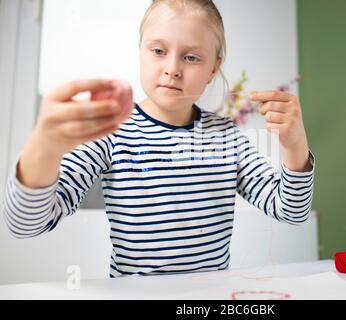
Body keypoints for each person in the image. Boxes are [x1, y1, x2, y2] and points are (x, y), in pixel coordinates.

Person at [2, 0, 315, 277]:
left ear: (212, 70)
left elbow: (290, 211)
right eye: (158, 51)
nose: (172, 69)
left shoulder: (227, 137)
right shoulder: (112, 133)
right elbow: (24, 224)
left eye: (191, 57)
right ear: (140, 51)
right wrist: (44, 148)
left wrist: (295, 145)